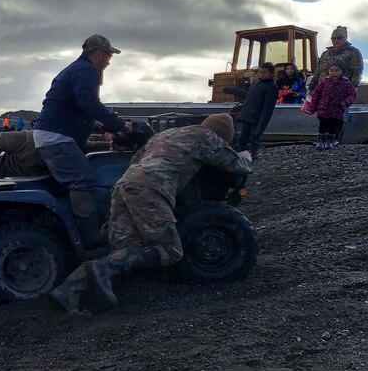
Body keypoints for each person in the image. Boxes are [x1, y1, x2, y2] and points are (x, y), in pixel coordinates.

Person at [48, 114, 251, 314]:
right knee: (170, 250)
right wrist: (245, 157)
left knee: (126, 247)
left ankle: (70, 289)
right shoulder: (206, 137)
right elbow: (235, 164)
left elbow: (136, 159)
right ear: (223, 134)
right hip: (151, 189)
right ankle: (101, 269)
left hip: (124, 186)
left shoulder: (166, 134)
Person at [33, 34, 127, 249]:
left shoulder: (74, 69)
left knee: (93, 160)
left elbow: (75, 107)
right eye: (109, 57)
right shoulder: (87, 70)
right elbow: (88, 103)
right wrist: (120, 125)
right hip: (57, 137)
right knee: (83, 179)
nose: (109, 62)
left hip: (54, 134)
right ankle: (91, 240)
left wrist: (100, 126)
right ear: (99, 54)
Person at [232, 62, 278, 158]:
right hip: (247, 115)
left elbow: (268, 108)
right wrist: (233, 90)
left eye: (264, 73)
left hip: (258, 117)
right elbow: (248, 96)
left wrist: (263, 121)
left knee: (255, 136)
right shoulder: (256, 83)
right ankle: (240, 153)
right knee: (243, 136)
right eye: (260, 72)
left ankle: (253, 154)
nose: (261, 74)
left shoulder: (271, 87)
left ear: (271, 74)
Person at [304, 64, 355, 150]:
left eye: (337, 70)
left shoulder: (347, 83)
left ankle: (330, 141)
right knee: (323, 125)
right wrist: (313, 106)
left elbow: (352, 95)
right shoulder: (324, 81)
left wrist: (346, 101)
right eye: (331, 70)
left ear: (342, 72)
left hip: (337, 110)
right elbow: (317, 94)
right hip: (323, 108)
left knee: (333, 126)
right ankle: (320, 141)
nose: (334, 73)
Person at [310, 26, 362, 92]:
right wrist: (312, 86)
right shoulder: (325, 53)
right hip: (322, 90)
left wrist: (352, 87)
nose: (336, 40)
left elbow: (357, 70)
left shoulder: (353, 52)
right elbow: (318, 71)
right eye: (333, 38)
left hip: (341, 90)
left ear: (345, 38)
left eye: (339, 38)